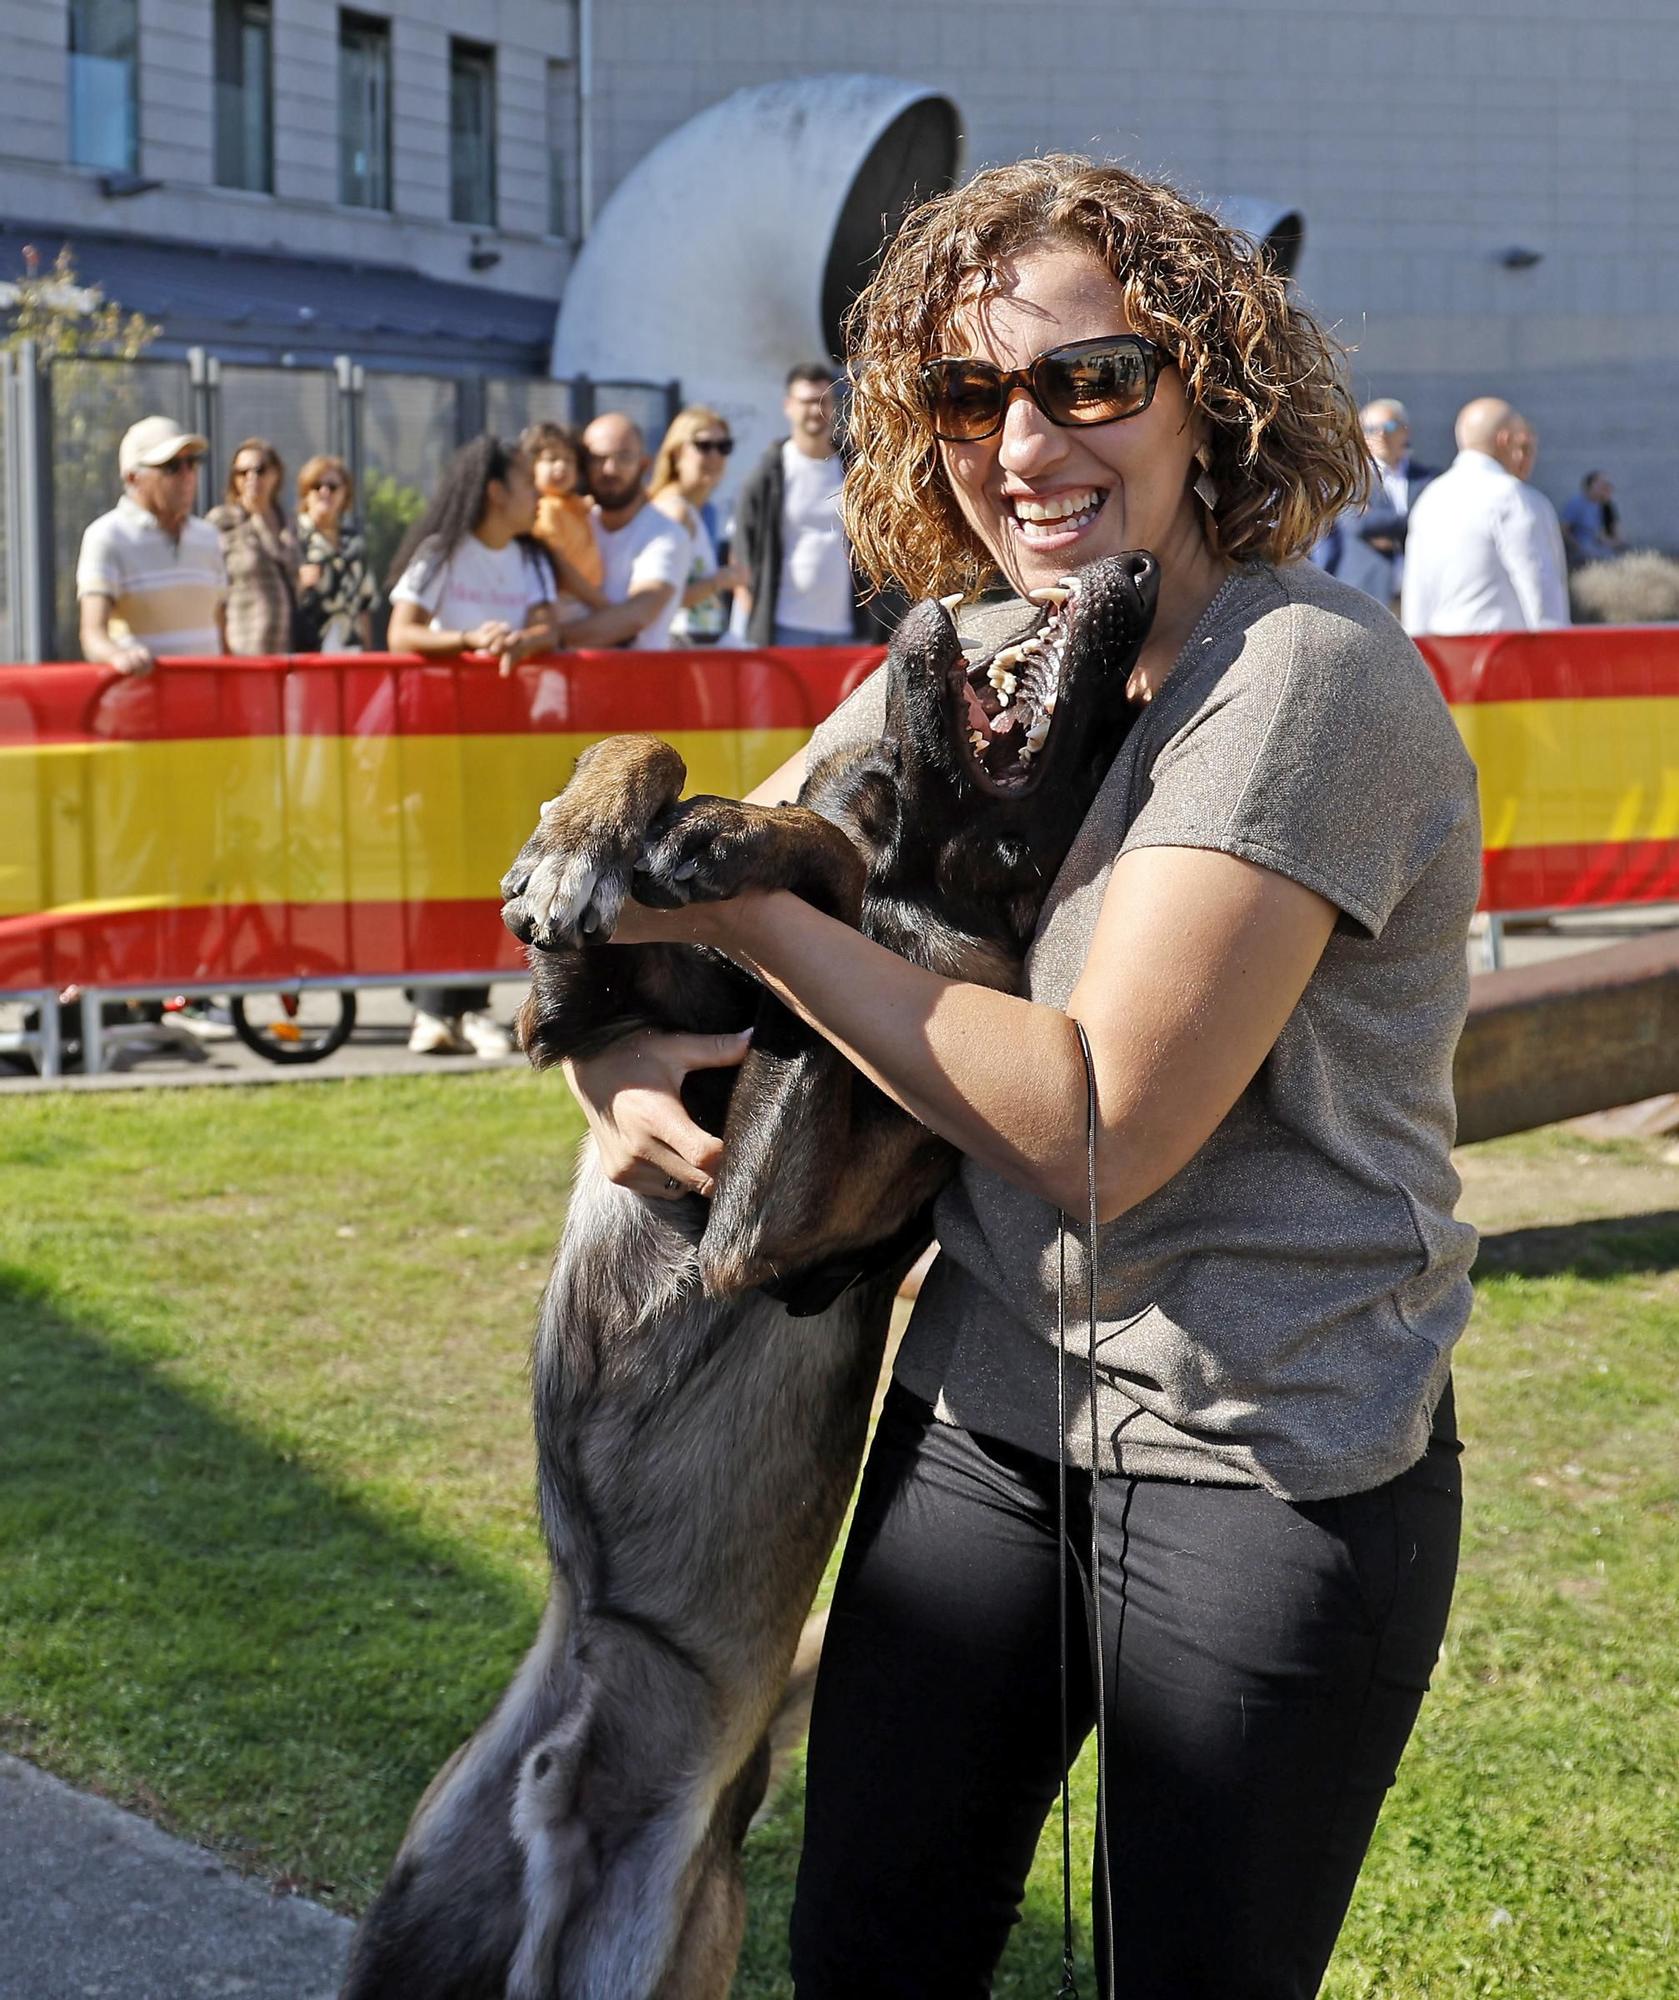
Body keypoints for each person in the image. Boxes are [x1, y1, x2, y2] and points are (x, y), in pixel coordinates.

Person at [556, 155, 1479, 1998]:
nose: (1023, 444)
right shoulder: (984, 640)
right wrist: (609, 1045)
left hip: (1260, 1454)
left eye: (1087, 379)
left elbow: (1094, 1125)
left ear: (1209, 390)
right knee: (868, 1952)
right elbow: (692, 864)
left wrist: (751, 923)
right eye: (967, 395)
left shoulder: (1297, 679)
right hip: (986, 1408)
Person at [387, 434, 559, 1058]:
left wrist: (525, 639)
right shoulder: (441, 552)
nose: (538, 494)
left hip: (507, 734)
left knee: (494, 862)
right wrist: (467, 640)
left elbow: (549, 625)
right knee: (442, 862)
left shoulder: (531, 557)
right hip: (439, 734)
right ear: (495, 490)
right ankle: (434, 1008)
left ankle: (469, 1005)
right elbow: (401, 632)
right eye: (526, 482)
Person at [1401, 397, 1570, 634]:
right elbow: (1542, 595)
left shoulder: (1429, 500)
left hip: (1439, 650)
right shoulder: (1514, 497)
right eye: (1524, 446)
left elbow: (1416, 596)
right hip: (1503, 650)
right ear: (1505, 439)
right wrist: (1556, 650)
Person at [76, 415, 226, 674]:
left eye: (191, 463)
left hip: (207, 697)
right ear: (133, 477)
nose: (187, 475)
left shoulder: (208, 537)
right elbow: (92, 634)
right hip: (139, 697)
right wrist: (119, 657)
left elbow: (222, 628)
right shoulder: (106, 536)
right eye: (171, 467)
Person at [733, 363, 870, 647]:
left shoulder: (854, 467)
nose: (815, 410)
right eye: (807, 402)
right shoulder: (770, 471)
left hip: (848, 628)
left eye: (823, 401)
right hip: (785, 627)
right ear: (789, 406)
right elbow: (742, 546)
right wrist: (750, 608)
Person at [534, 412, 692, 651]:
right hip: (562, 671)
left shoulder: (665, 534)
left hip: (636, 672)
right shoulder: (573, 519)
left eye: (624, 457)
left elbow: (637, 614)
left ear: (644, 464)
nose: (610, 469)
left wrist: (546, 640)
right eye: (597, 459)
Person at [1311, 397, 1437, 609]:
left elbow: (1438, 525)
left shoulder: (1428, 479)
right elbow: (1359, 524)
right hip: (1367, 597)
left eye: (1390, 426)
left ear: (1405, 431)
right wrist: (1413, 528)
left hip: (1420, 598)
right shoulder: (1349, 481)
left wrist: (1389, 531)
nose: (1381, 434)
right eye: (1371, 429)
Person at [648, 405, 751, 644]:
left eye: (724, 447)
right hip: (677, 643)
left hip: (697, 641)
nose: (715, 456)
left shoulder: (701, 510)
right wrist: (720, 580)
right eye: (704, 446)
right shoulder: (674, 511)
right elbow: (660, 599)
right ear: (677, 454)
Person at [207, 437, 301, 655]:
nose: (251, 478)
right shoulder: (222, 521)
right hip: (242, 647)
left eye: (260, 470)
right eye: (242, 473)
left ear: (275, 474)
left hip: (286, 647)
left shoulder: (288, 524)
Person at [521, 419, 608, 628]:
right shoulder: (545, 509)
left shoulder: (574, 504)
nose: (561, 466)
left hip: (587, 597)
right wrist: (602, 604)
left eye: (569, 460)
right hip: (567, 599)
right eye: (551, 459)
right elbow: (561, 569)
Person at [293, 454, 377, 651]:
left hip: (350, 647)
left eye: (332, 487)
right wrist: (298, 584)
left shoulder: (354, 543)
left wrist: (368, 654)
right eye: (316, 486)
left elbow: (364, 605)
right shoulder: (292, 536)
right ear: (305, 493)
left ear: (345, 494)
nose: (324, 492)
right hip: (307, 649)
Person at [1560, 470, 1624, 567]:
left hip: (1599, 546)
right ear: (1591, 485)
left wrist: (1613, 542)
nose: (1605, 487)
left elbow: (1609, 532)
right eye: (1602, 484)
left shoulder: (1603, 505)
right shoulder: (1576, 503)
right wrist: (1577, 546)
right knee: (1609, 559)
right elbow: (1564, 530)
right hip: (1583, 548)